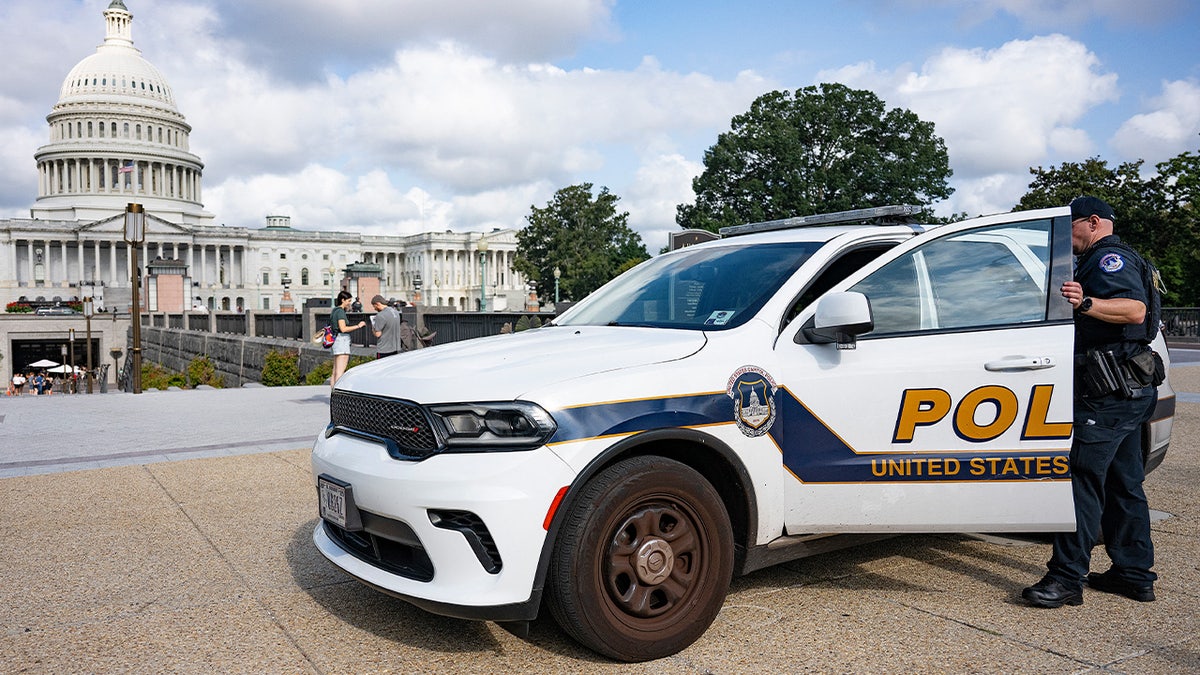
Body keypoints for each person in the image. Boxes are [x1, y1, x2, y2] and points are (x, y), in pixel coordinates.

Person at [1022, 196, 1161, 608]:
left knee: (1081, 482)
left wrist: (1084, 303)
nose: (1067, 237)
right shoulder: (1116, 258)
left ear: (1094, 222)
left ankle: (1066, 578)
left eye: (1070, 226)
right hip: (1129, 390)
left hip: (1108, 393)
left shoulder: (1108, 259)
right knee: (1123, 484)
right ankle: (1133, 574)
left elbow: (1134, 310)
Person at [330, 290, 367, 388]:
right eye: (348, 301)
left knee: (335, 371)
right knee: (340, 371)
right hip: (342, 341)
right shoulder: (341, 312)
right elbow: (343, 328)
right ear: (343, 300)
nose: (349, 303)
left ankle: (332, 394)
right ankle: (338, 395)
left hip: (335, 340)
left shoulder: (334, 310)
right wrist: (358, 326)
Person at [370, 294, 402, 359]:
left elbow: (377, 334)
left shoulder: (381, 315)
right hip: (395, 347)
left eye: (374, 306)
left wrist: (373, 326)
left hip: (384, 349)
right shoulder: (396, 312)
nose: (374, 308)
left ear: (377, 304)